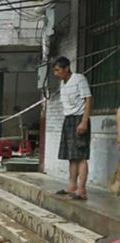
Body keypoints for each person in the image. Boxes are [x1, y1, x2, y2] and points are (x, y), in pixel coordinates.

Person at [53, 56, 93, 200]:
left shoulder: (79, 79)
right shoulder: (63, 83)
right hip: (68, 119)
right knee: (71, 156)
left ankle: (81, 190)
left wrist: (84, 122)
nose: (56, 74)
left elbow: (88, 99)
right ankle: (72, 186)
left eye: (58, 70)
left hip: (79, 118)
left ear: (66, 68)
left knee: (81, 156)